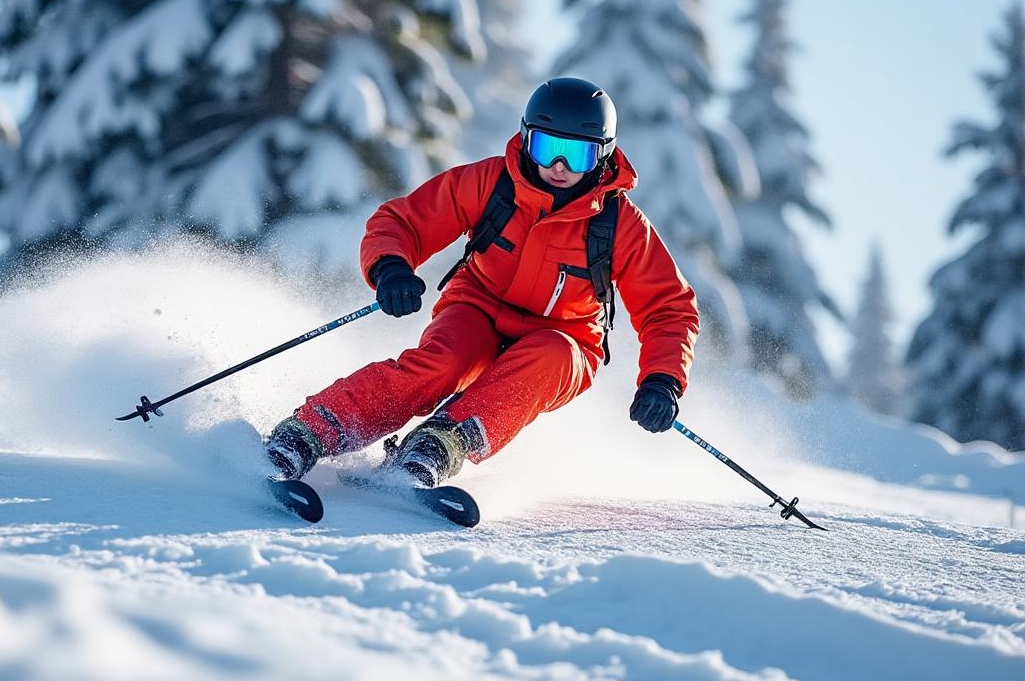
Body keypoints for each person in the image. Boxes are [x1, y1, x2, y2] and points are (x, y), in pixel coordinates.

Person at [264, 77, 700, 487]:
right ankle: (312, 431)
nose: (560, 167)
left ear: (603, 156)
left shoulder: (619, 224)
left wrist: (662, 380)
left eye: (578, 154)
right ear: (527, 138)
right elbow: (405, 221)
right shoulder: (493, 183)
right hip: (478, 307)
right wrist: (391, 267)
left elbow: (669, 307)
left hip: (564, 335)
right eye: (547, 148)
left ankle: (440, 446)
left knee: (550, 357)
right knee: (442, 363)